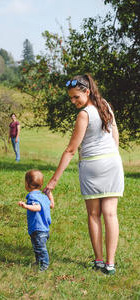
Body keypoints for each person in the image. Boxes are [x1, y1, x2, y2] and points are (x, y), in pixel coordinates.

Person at [43, 74, 124, 275]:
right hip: (113, 163)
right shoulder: (105, 105)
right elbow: (115, 133)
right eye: (71, 98)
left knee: (94, 214)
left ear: (87, 92)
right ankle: (110, 264)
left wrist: (53, 181)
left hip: (92, 166)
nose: (73, 101)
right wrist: (113, 156)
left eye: (76, 97)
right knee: (111, 213)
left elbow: (71, 150)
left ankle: (99, 261)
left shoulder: (84, 114)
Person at [18, 169, 55, 271]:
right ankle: (39, 261)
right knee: (37, 246)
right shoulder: (43, 197)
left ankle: (44, 264)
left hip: (38, 228)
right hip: (45, 228)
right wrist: (49, 194)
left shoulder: (32, 197)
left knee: (40, 248)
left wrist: (26, 206)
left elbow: (37, 207)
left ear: (26, 184)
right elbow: (51, 205)